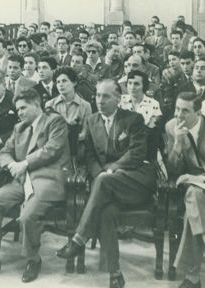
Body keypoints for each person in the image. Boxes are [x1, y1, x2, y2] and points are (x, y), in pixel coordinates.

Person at [56, 79, 156, 288]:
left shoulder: (133, 119)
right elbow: (90, 156)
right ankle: (115, 273)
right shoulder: (91, 120)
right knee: (105, 213)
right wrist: (101, 173)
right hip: (106, 187)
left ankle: (78, 239)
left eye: (106, 96)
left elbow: (137, 154)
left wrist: (110, 171)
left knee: (103, 181)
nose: (100, 100)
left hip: (134, 183)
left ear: (118, 99)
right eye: (98, 96)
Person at [0, 88, 70, 283]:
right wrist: (11, 164)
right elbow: (4, 152)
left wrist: (25, 163)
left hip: (47, 179)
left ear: (37, 105)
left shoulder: (55, 121)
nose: (20, 112)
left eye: (23, 108)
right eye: (18, 109)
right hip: (21, 180)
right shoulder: (19, 128)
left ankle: (33, 259)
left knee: (27, 216)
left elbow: (52, 149)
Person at [166, 91, 205, 288]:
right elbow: (172, 170)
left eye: (185, 111)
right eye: (176, 109)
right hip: (195, 191)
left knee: (193, 210)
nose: (178, 115)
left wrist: (201, 178)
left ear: (198, 113)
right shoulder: (171, 127)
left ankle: (192, 278)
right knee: (194, 194)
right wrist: (177, 144)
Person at [45, 66, 92, 141]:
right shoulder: (50, 105)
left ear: (74, 83)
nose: (61, 84)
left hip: (77, 147)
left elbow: (85, 133)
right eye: (58, 82)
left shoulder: (85, 106)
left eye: (64, 81)